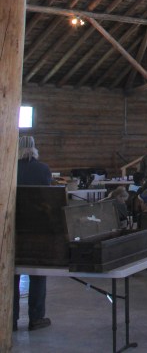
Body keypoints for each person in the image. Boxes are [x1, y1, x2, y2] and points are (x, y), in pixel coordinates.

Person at [14, 136, 52, 333]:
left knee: (10, 273)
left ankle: (10, 318)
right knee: (37, 273)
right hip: (37, 228)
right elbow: (49, 200)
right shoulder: (43, 169)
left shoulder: (9, 167)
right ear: (34, 149)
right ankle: (36, 318)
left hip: (11, 227)